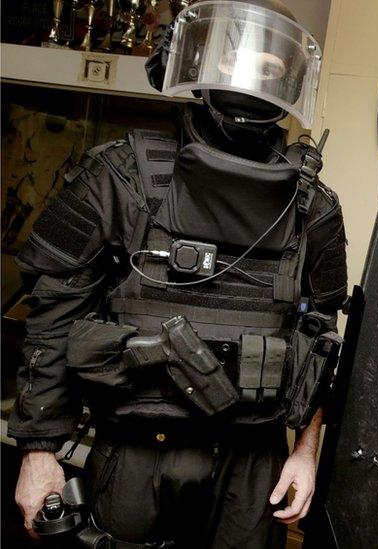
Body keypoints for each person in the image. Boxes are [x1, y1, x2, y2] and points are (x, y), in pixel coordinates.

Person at [10, 0, 347, 546]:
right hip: (137, 451)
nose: (252, 82)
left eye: (270, 70)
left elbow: (323, 339)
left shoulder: (314, 207)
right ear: (203, 66)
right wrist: (38, 452)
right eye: (238, 62)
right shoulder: (119, 176)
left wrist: (307, 453)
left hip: (253, 463)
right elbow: (52, 316)